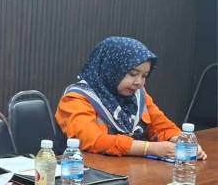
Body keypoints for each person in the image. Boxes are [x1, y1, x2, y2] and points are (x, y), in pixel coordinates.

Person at [55, 36, 207, 160]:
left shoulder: (138, 95)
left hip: (127, 172)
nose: (139, 82)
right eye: (132, 74)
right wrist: (148, 148)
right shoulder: (76, 98)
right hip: (85, 175)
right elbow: (93, 141)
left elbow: (161, 125)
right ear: (111, 69)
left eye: (144, 76)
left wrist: (183, 143)